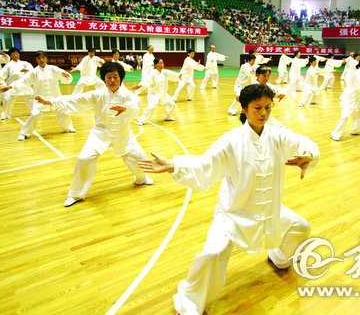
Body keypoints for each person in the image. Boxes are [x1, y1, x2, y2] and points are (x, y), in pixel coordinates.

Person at [138, 83, 319, 315]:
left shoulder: (278, 135)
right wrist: (174, 165)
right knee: (213, 253)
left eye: (267, 108)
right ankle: (189, 299)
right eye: (257, 108)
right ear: (244, 109)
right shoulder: (231, 141)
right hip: (234, 213)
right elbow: (205, 165)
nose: (263, 113)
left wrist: (310, 156)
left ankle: (280, 257)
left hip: (269, 210)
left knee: (301, 227)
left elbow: (303, 142)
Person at [34, 62, 154, 207]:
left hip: (123, 132)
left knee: (139, 156)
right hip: (100, 132)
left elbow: (136, 103)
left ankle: (141, 178)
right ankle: (76, 194)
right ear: (104, 79)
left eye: (115, 77)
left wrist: (126, 108)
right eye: (108, 77)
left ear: (121, 78)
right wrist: (50, 101)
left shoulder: (128, 95)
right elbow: (76, 100)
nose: (112, 80)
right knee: (84, 158)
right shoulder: (98, 94)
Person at [0, 51, 75, 141]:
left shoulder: (53, 69)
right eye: (39, 58)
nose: (41, 60)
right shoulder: (34, 72)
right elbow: (23, 81)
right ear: (36, 60)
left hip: (55, 97)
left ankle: (68, 127)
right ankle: (24, 133)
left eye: (43, 57)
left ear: (46, 58)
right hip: (41, 99)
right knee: (35, 115)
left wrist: (67, 76)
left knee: (63, 112)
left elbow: (65, 77)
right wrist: (10, 86)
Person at [331, 58, 360, 141]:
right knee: (345, 116)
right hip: (350, 97)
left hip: (359, 97)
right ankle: (336, 134)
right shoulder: (356, 73)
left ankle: (356, 130)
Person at [0, 47, 33, 119]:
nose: (16, 55)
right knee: (7, 99)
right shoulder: (8, 65)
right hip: (12, 86)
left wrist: (28, 70)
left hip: (24, 85)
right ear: (10, 55)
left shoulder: (25, 63)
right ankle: (5, 114)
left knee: (31, 98)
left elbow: (31, 70)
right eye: (13, 54)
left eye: (17, 54)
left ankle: (34, 112)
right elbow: (2, 74)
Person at [134, 58, 180, 124]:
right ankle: (141, 120)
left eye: (162, 63)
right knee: (151, 107)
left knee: (171, 104)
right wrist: (140, 85)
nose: (162, 65)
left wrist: (180, 76)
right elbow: (146, 81)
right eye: (160, 63)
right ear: (155, 65)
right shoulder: (152, 73)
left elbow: (173, 74)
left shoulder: (165, 72)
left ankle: (167, 117)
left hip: (163, 93)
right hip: (153, 94)